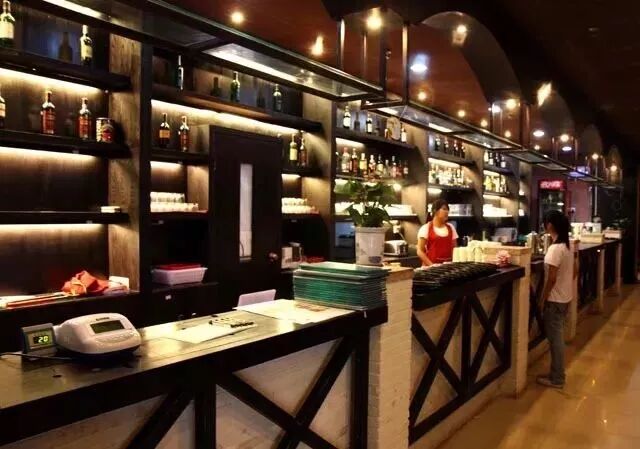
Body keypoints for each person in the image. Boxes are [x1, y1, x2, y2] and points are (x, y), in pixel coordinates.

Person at [537, 210, 577, 389]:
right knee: (557, 339)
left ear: (550, 225)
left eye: (545, 223)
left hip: (554, 300)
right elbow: (575, 270)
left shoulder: (554, 249)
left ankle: (558, 378)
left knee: (555, 341)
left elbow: (551, 279)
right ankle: (555, 373)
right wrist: (565, 285)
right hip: (565, 298)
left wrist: (542, 299)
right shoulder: (568, 246)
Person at [417, 199, 458, 266]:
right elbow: (420, 251)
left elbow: (455, 249)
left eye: (447, 210)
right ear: (435, 211)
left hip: (448, 268)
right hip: (430, 269)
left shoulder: (451, 228)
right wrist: (431, 265)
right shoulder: (425, 228)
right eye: (444, 209)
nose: (447, 212)